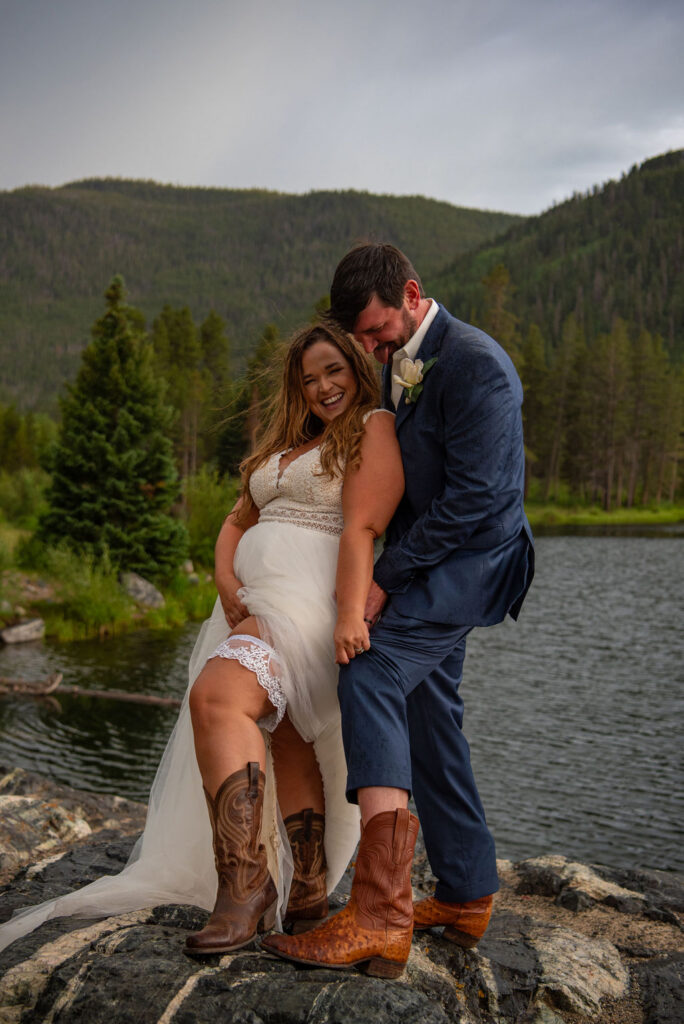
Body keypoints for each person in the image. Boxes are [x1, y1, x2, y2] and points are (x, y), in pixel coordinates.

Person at [0, 321, 404, 956]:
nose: (323, 386)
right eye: (309, 378)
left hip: (312, 607)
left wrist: (352, 613)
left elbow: (365, 525)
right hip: (254, 606)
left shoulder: (372, 429)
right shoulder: (290, 445)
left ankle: (244, 888)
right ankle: (307, 890)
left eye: (333, 370)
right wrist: (224, 579)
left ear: (356, 367)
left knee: (218, 699)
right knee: (290, 739)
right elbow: (235, 518)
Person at [263, 243, 535, 978]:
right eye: (367, 338)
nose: (374, 348)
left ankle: (381, 914)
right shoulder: (403, 355)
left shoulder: (476, 362)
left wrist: (386, 576)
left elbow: (481, 502)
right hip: (435, 559)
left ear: (412, 293)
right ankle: (468, 889)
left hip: (474, 561)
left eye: (379, 331)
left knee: (373, 671)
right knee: (429, 708)